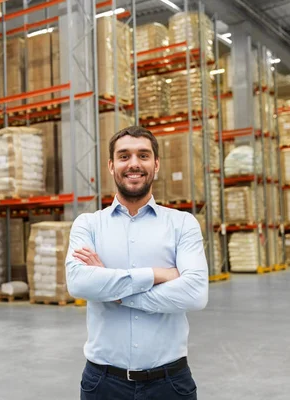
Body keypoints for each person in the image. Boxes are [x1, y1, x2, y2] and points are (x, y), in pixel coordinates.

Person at [65, 126, 209, 400]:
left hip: (170, 383)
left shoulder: (182, 224)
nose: (134, 164)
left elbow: (195, 293)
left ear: (155, 164)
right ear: (111, 165)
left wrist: (113, 290)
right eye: (124, 156)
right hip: (103, 383)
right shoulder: (88, 225)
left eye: (143, 155)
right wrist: (157, 274)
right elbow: (79, 282)